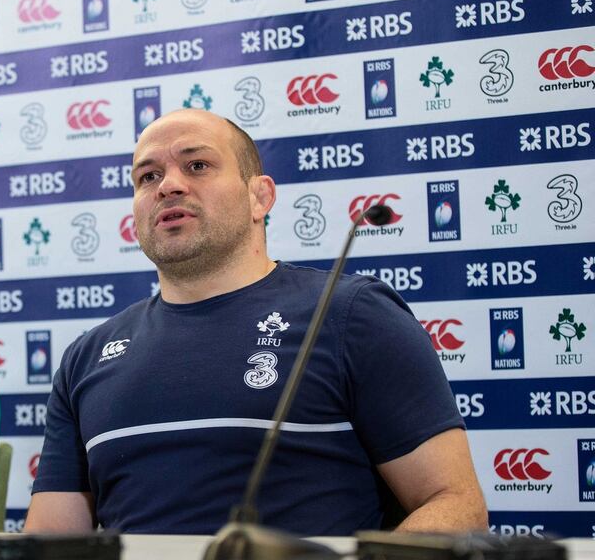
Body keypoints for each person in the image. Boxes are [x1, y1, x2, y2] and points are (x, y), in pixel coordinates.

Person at [24, 109, 487, 535]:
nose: (168, 186)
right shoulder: (86, 357)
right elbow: (50, 542)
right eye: (148, 176)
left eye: (197, 166)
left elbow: (457, 505)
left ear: (259, 196)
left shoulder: (350, 314)